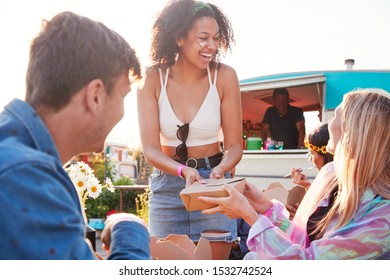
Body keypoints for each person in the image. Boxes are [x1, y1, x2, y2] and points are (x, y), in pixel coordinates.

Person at [0, 11, 150, 260]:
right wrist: (129, 228)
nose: (124, 111)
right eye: (123, 95)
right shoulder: (26, 178)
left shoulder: (16, 156)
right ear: (95, 96)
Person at [200, 88, 390, 259]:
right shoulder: (334, 176)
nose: (328, 123)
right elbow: (302, 238)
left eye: (335, 116)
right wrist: (266, 208)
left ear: (354, 131)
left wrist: (251, 216)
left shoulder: (382, 219)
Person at [137, 0, 243, 244]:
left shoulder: (225, 76)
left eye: (216, 38)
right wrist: (183, 170)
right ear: (178, 38)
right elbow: (151, 150)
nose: (212, 46)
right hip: (167, 187)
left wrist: (221, 169)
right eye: (203, 38)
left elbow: (235, 146)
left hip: (212, 184)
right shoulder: (151, 78)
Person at [286, 123, 334, 219]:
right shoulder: (333, 179)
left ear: (325, 154)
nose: (310, 159)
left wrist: (300, 216)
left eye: (312, 154)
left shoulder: (334, 185)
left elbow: (321, 219)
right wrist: (307, 186)